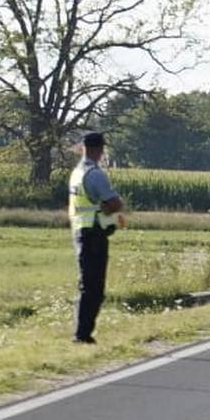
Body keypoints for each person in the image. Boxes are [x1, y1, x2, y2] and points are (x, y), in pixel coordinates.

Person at [69, 131, 124, 344]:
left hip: (80, 230)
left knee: (86, 283)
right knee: (94, 287)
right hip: (94, 233)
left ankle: (82, 331)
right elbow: (114, 203)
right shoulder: (95, 174)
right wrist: (111, 210)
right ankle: (83, 334)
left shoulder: (77, 172)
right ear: (99, 149)